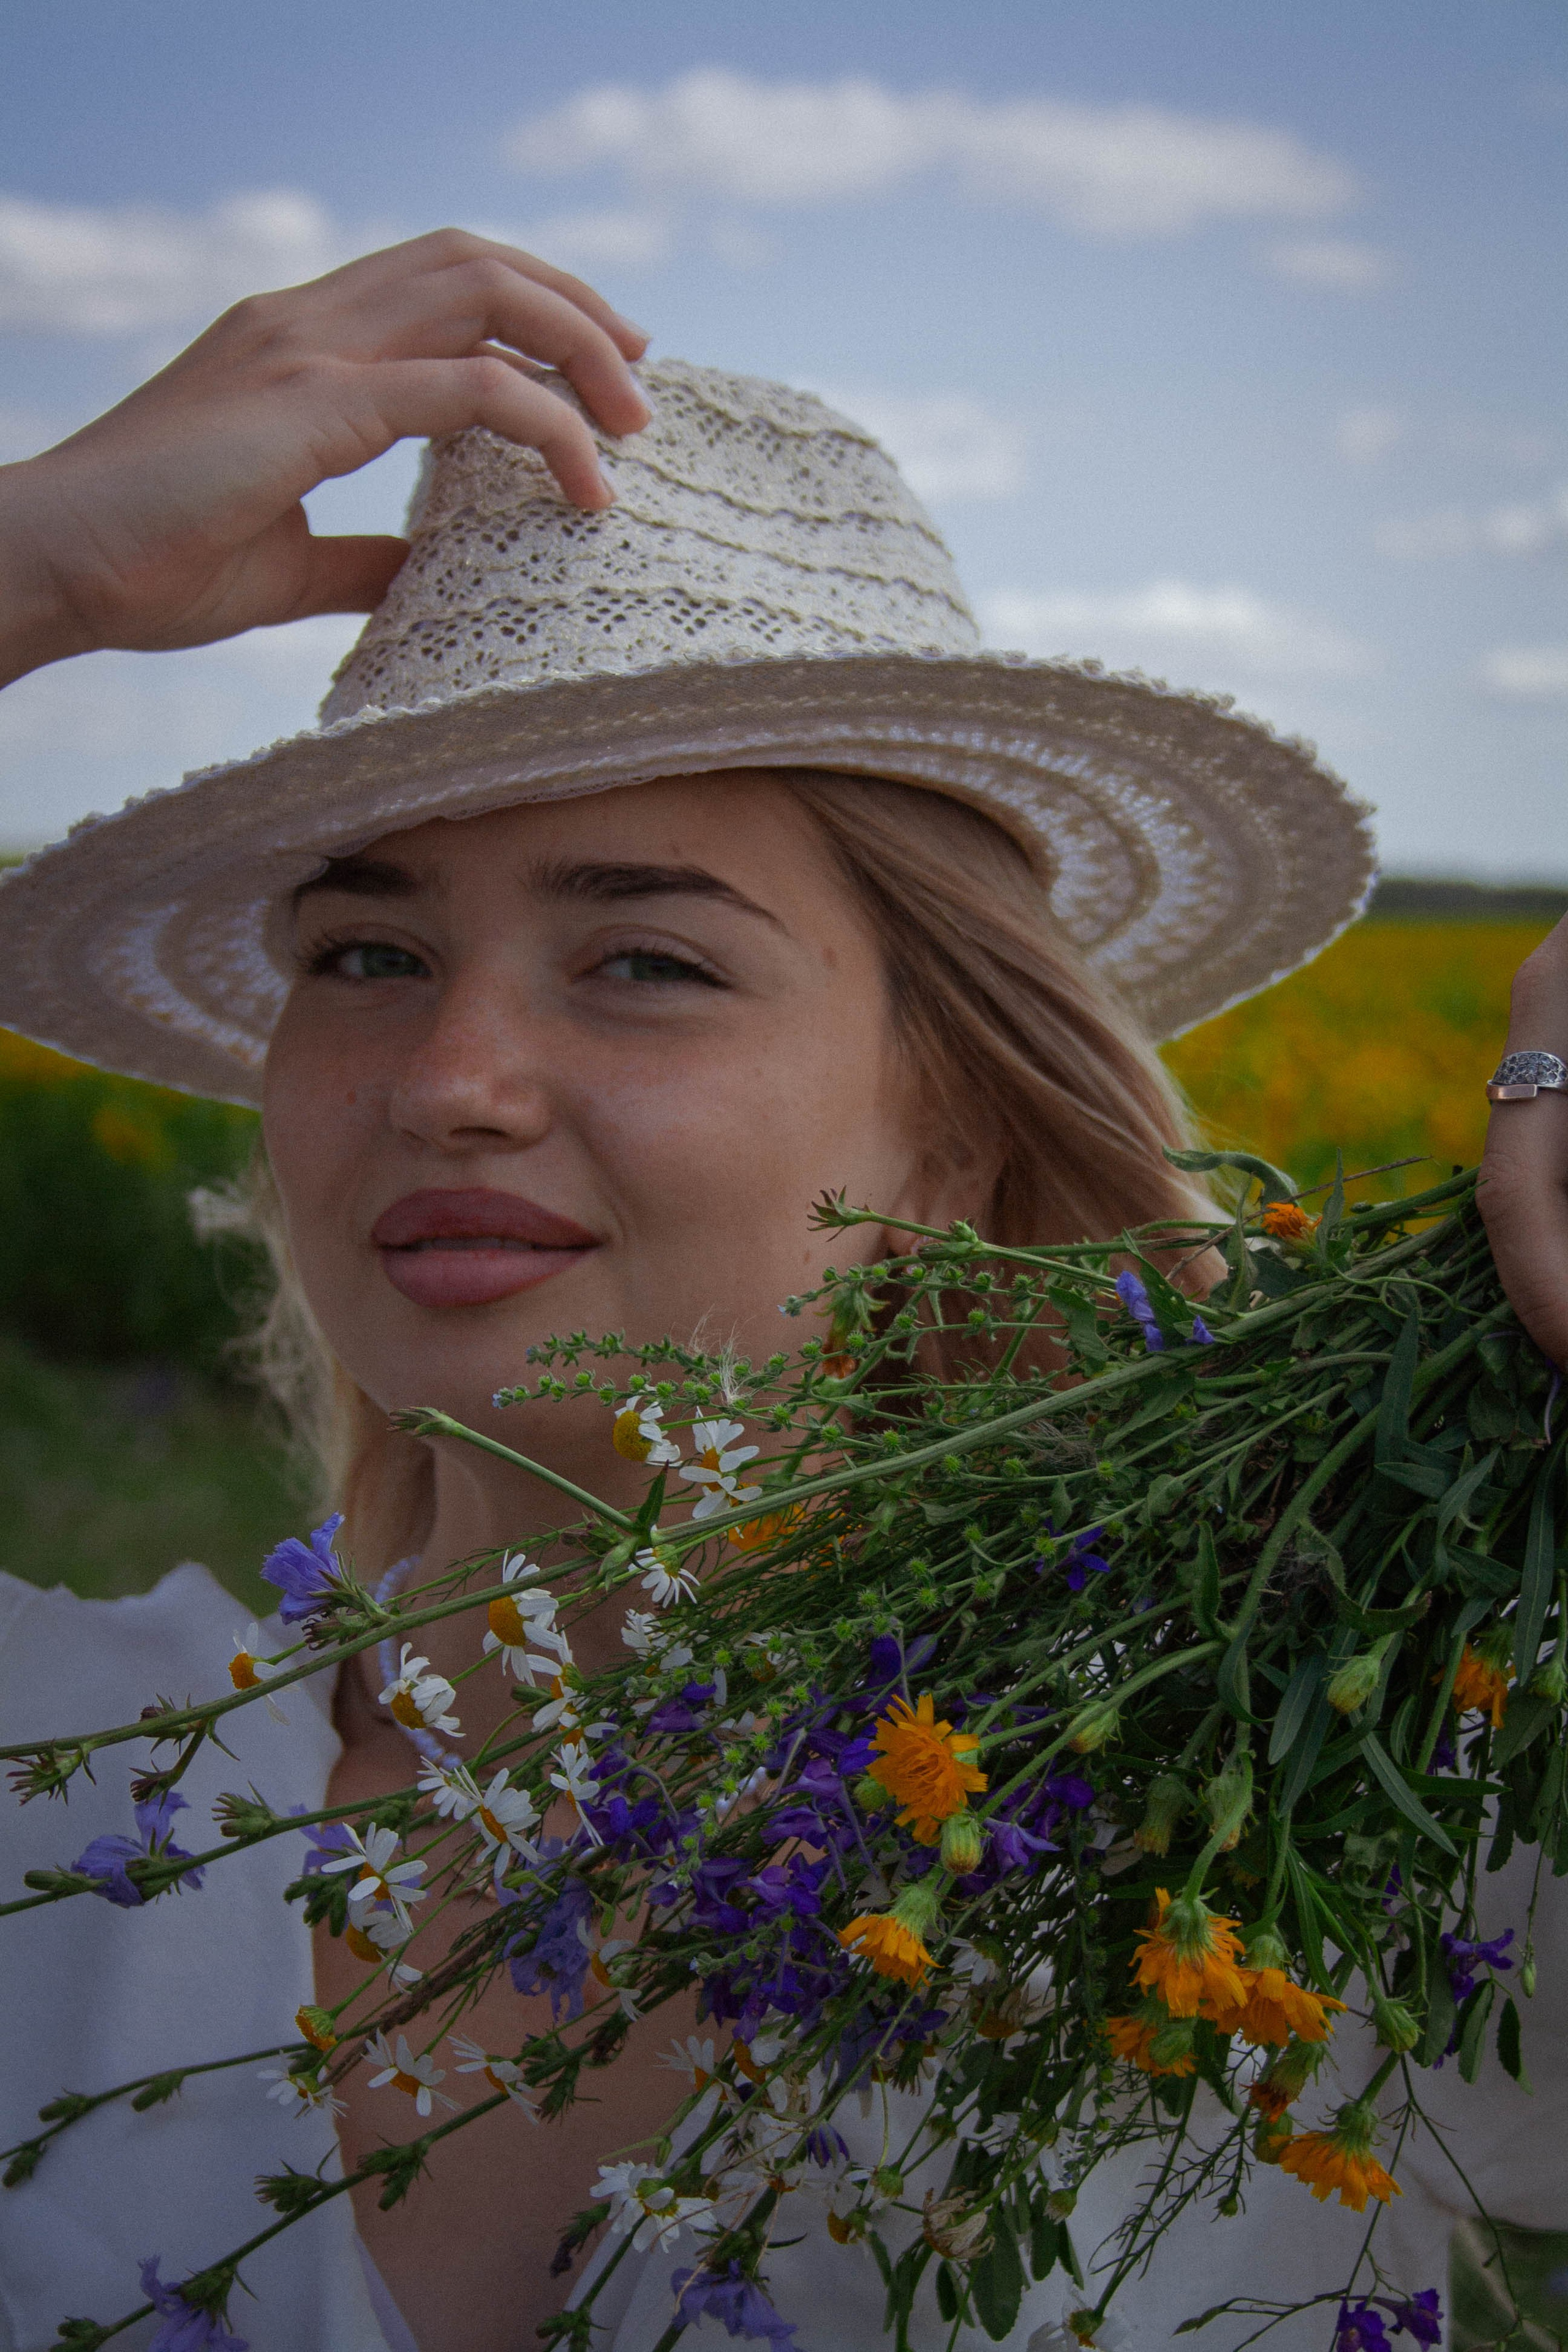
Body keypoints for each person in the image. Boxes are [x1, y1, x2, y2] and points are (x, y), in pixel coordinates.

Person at [0, 232, 1556, 2352]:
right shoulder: (64, 1787)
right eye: (365, 955)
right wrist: (33, 572)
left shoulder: (1301, 1827)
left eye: (647, 959)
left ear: (954, 1116)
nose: (451, 1079)